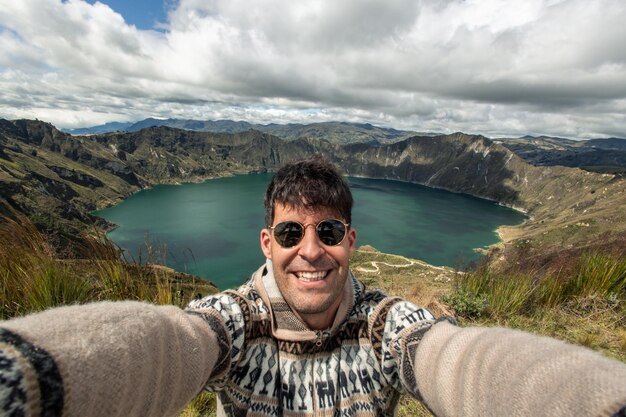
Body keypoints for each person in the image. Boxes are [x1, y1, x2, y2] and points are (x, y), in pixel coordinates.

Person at [0, 156, 625, 417]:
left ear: (351, 240)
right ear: (267, 243)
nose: (311, 250)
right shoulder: (236, 321)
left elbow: (458, 361)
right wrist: (25, 377)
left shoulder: (385, 326)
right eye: (291, 231)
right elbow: (166, 343)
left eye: (328, 229)